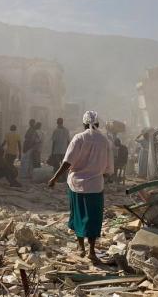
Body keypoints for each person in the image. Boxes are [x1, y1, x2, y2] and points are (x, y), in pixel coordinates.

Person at [48, 111, 113, 262]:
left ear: (84, 124)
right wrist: (98, 174)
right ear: (98, 124)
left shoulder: (79, 138)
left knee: (78, 215)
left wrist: (55, 178)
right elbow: (108, 169)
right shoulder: (104, 141)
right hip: (96, 186)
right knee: (93, 218)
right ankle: (91, 251)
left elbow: (67, 161)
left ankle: (81, 248)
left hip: (77, 184)